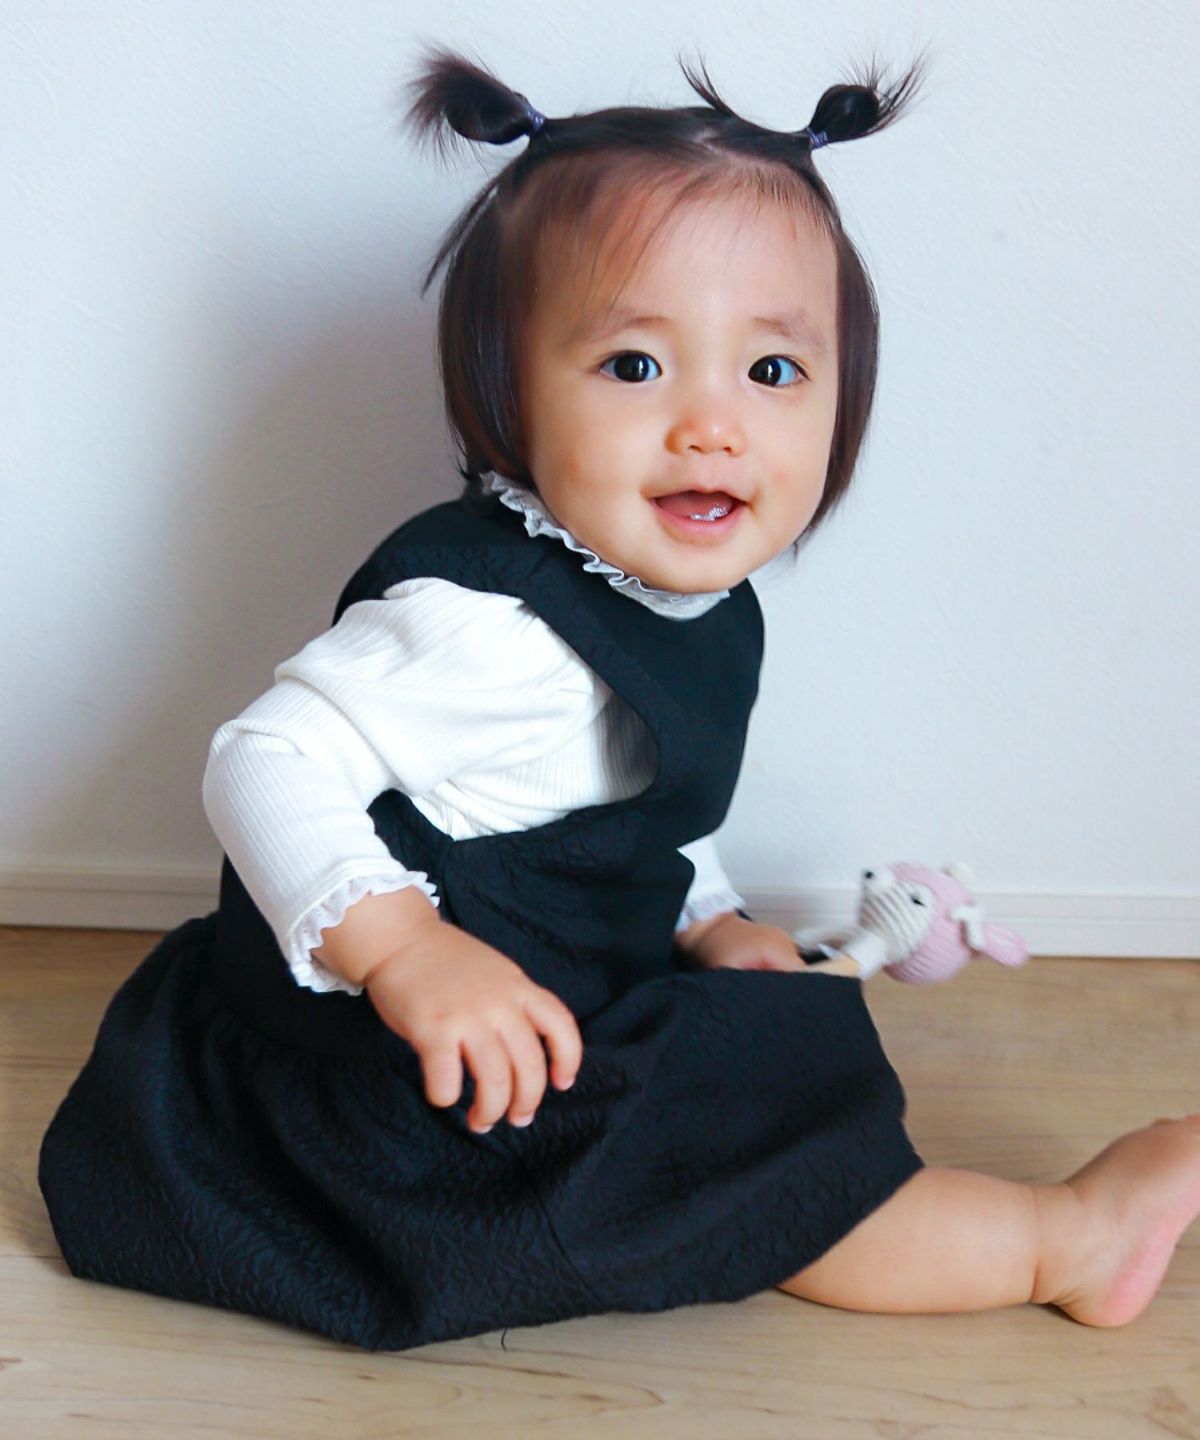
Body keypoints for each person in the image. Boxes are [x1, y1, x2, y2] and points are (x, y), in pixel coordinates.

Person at [38, 42, 1200, 1354]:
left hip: (561, 994)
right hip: (417, 1081)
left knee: (767, 1056)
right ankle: (1067, 1240)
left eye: (772, 372)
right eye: (637, 366)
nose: (713, 424)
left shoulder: (688, 601)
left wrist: (708, 917)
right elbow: (261, 760)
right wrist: (404, 953)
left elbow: (639, 806)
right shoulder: (479, 630)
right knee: (758, 1184)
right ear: (506, 394)